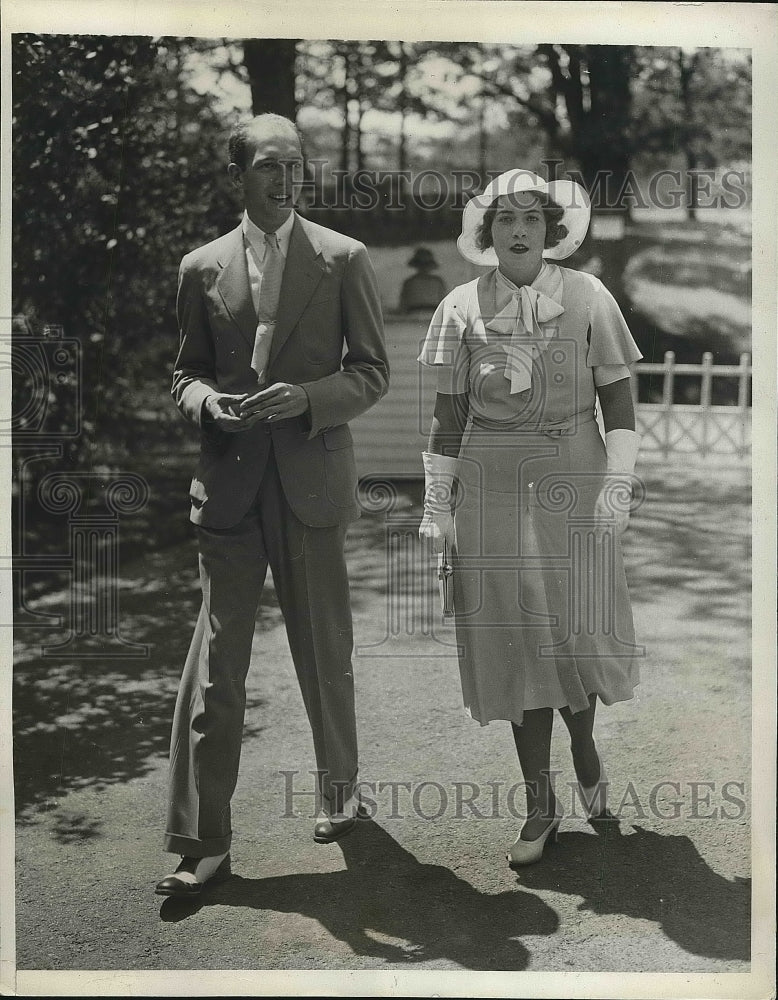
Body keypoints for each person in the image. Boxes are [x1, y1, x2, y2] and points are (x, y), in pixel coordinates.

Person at [155, 114, 389, 898]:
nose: (284, 178)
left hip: (311, 484)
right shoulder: (199, 267)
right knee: (217, 671)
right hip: (226, 491)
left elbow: (372, 373)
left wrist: (310, 398)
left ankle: (338, 789)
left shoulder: (343, 259)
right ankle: (202, 838)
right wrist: (208, 406)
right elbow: (183, 376)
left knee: (325, 653)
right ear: (239, 174)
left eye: (294, 165)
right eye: (266, 165)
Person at [418, 169, 642, 867]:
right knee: (514, 640)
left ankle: (583, 743)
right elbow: (447, 417)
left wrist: (619, 488)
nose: (519, 232)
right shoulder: (459, 307)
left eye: (532, 220)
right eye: (505, 220)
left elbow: (621, 405)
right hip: (490, 486)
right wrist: (437, 510)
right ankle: (538, 803)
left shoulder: (588, 297)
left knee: (574, 628)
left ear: (550, 231)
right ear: (486, 234)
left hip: (574, 476)